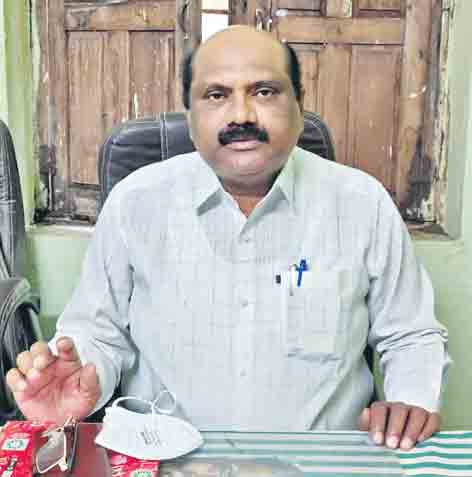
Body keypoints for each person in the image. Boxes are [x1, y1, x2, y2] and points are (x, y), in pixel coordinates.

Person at [7, 26, 449, 450]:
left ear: (299, 107)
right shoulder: (135, 203)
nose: (242, 115)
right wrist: (78, 379)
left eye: (265, 92)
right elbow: (97, 333)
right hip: (168, 459)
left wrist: (411, 400)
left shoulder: (362, 204)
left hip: (319, 461)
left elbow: (409, 335)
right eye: (216, 95)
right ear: (190, 116)